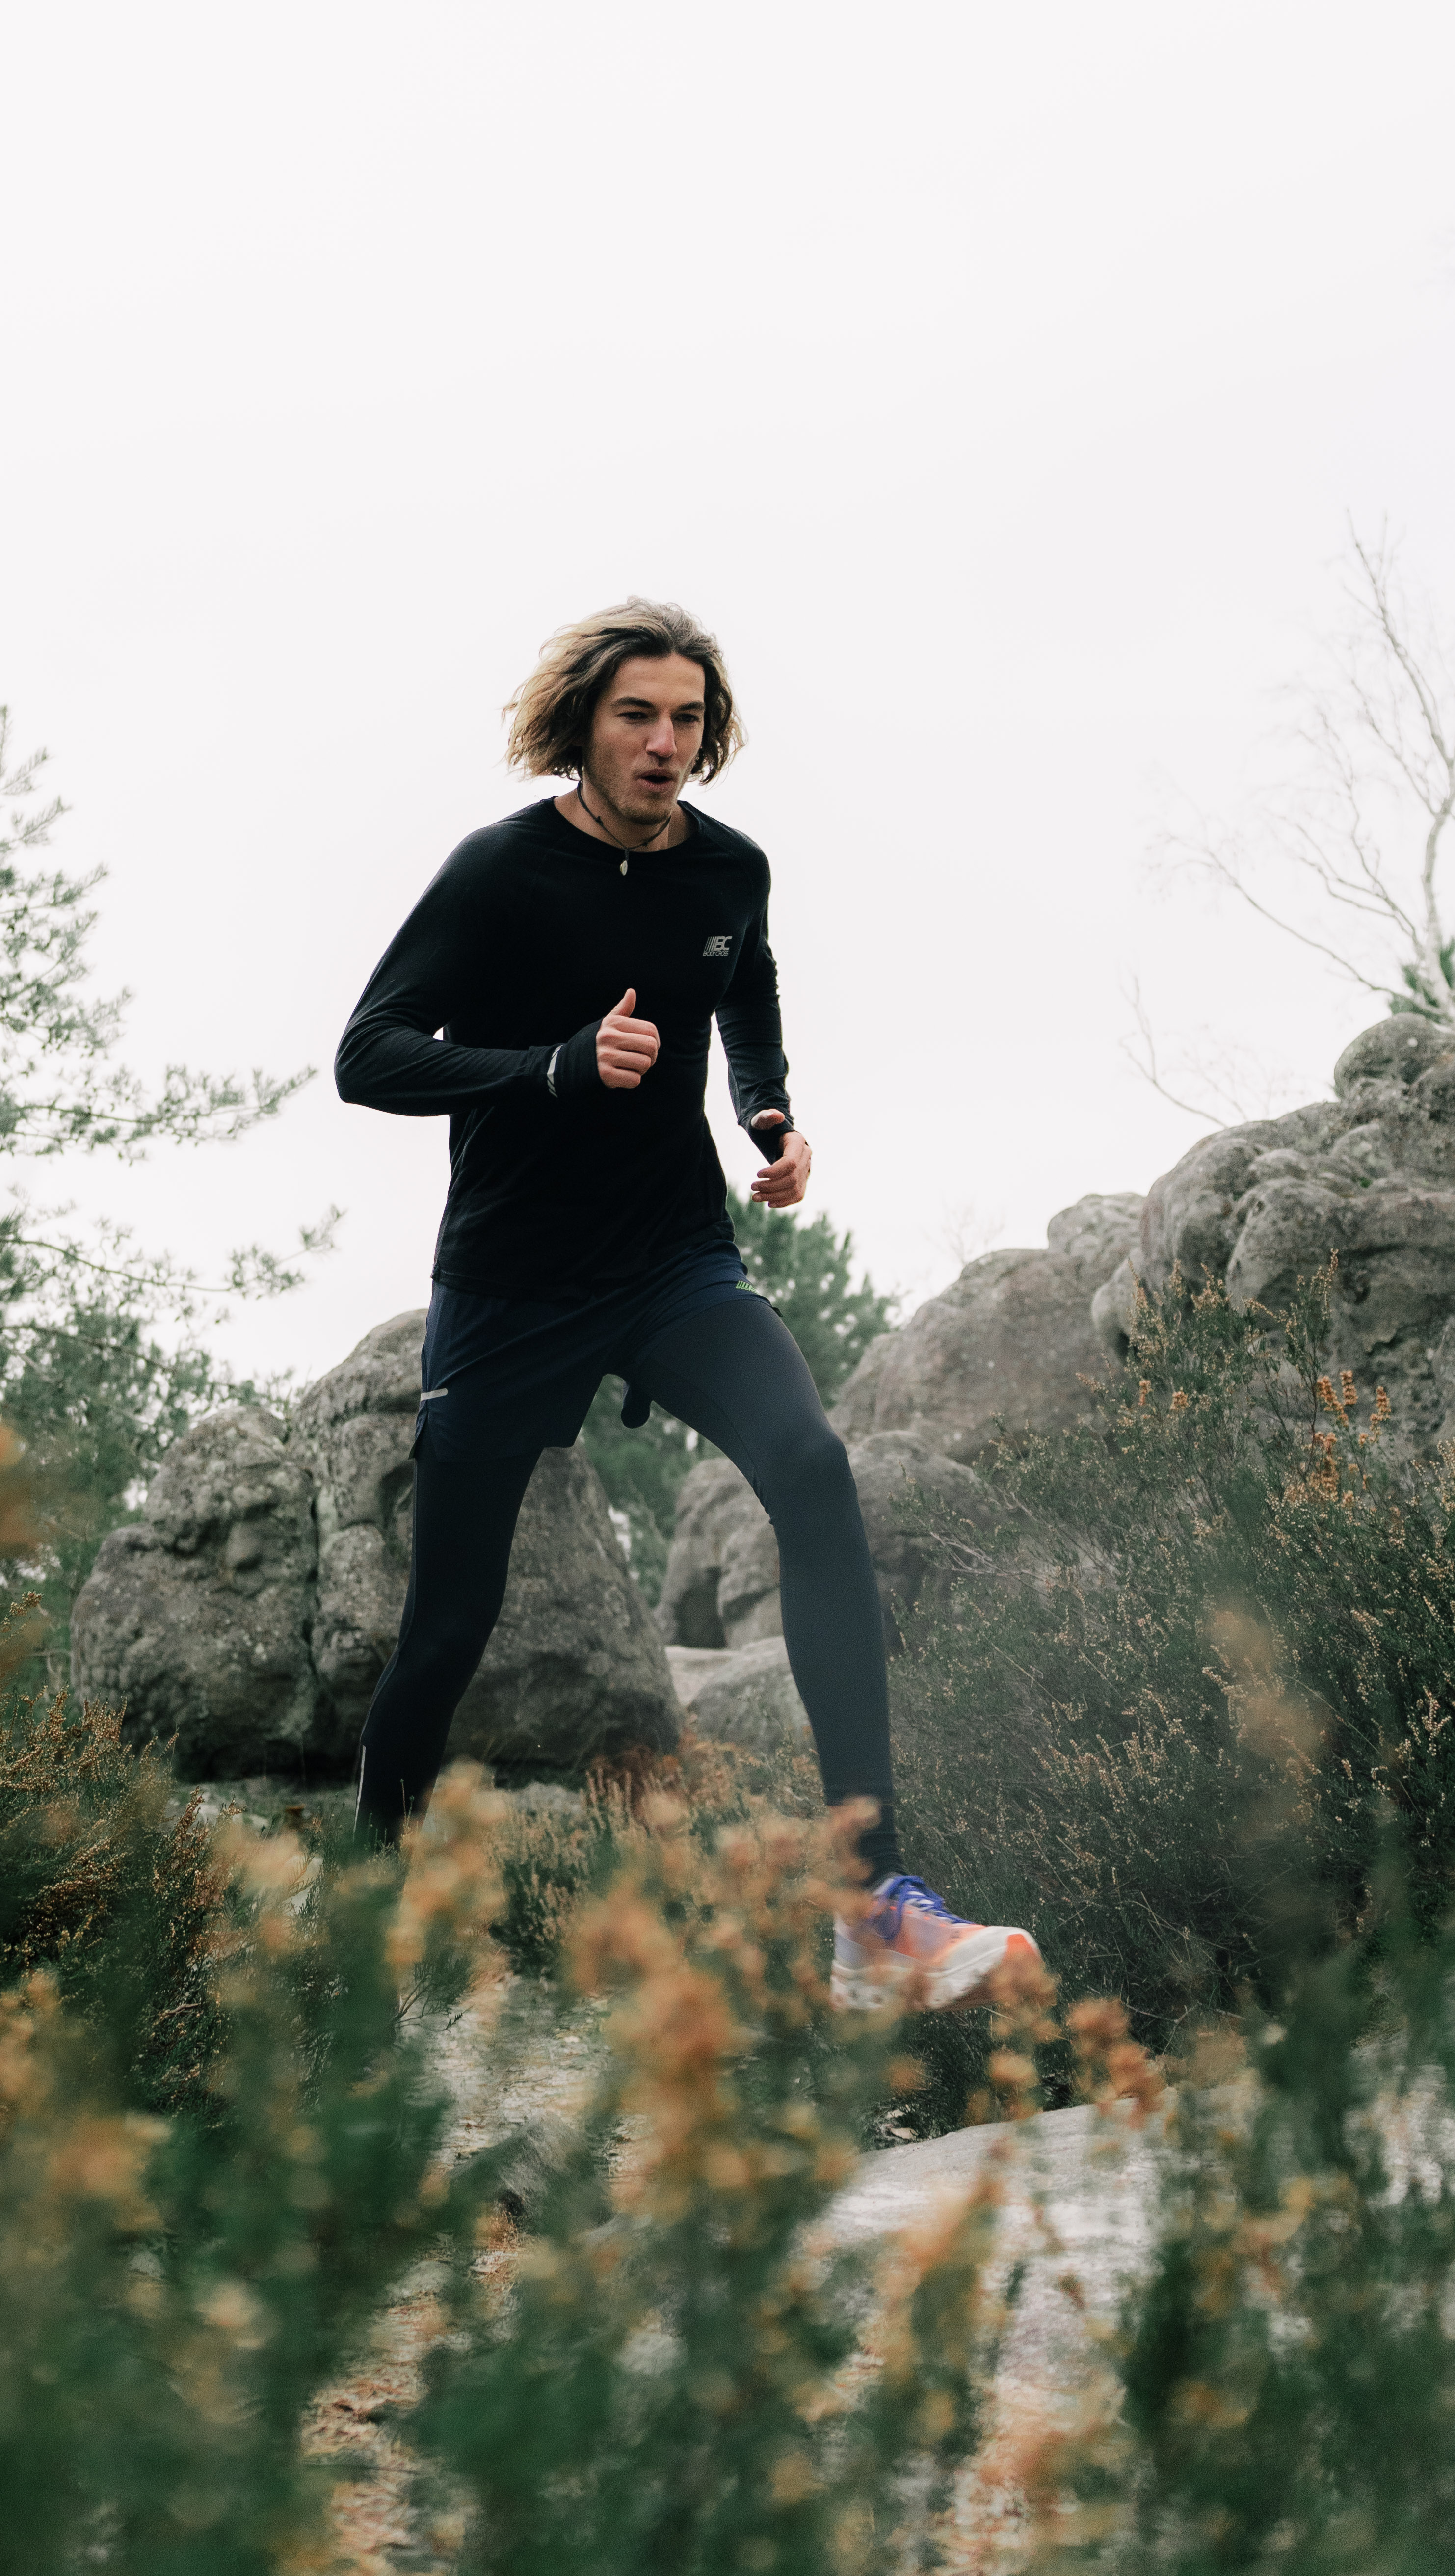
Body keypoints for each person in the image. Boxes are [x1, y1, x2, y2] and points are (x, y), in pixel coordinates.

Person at [334, 599, 1038, 2010]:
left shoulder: (730, 869)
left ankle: (873, 1907)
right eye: (638, 716)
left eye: (688, 719)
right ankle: (365, 1920)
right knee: (450, 1624)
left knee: (813, 1467)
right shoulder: (499, 872)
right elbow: (371, 1055)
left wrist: (768, 1111)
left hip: (673, 1263)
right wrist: (549, 1067)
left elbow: (745, 989)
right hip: (514, 1283)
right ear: (583, 727)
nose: (666, 742)